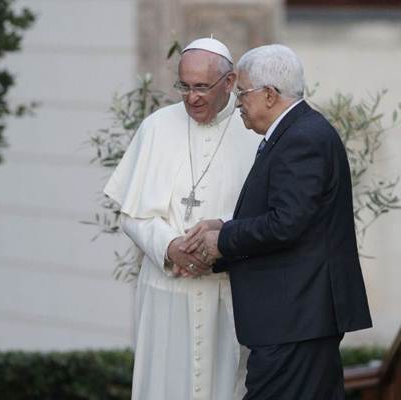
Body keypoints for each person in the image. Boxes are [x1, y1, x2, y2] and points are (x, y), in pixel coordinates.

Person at [186, 44, 373, 399]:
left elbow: (286, 224)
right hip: (298, 319)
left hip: (295, 320)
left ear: (269, 95)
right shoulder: (296, 133)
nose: (238, 102)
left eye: (242, 92)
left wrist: (222, 241)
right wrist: (223, 227)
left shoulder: (302, 138)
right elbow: (290, 218)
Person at [104, 38, 260, 400]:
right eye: (185, 87)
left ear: (230, 81)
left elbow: (264, 216)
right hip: (166, 293)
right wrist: (171, 247)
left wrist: (214, 248)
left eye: (202, 87)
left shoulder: (253, 132)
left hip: (228, 292)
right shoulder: (156, 127)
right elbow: (131, 214)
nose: (192, 98)